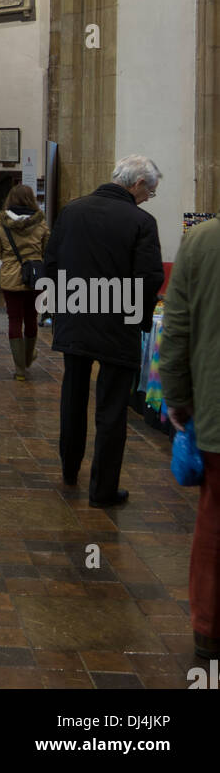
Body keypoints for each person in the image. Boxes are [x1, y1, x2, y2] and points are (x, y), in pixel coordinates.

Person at [44, 155, 164, 508]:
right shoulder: (141, 221)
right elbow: (148, 279)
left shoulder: (72, 211)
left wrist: (59, 311)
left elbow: (51, 265)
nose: (148, 198)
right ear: (138, 184)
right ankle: (103, 489)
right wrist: (139, 322)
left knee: (73, 396)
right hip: (118, 323)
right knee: (112, 409)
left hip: (76, 316)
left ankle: (69, 468)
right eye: (150, 192)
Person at [159, 219, 220, 660]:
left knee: (215, 519)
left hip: (215, 411)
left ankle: (209, 628)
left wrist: (177, 398)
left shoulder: (202, 240)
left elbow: (176, 329)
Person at [0, 183, 49, 380]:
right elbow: (47, 249)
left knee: (15, 320)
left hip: (11, 277)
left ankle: (19, 370)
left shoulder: (1, 223)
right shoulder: (40, 223)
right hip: (35, 278)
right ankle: (28, 357)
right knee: (31, 317)